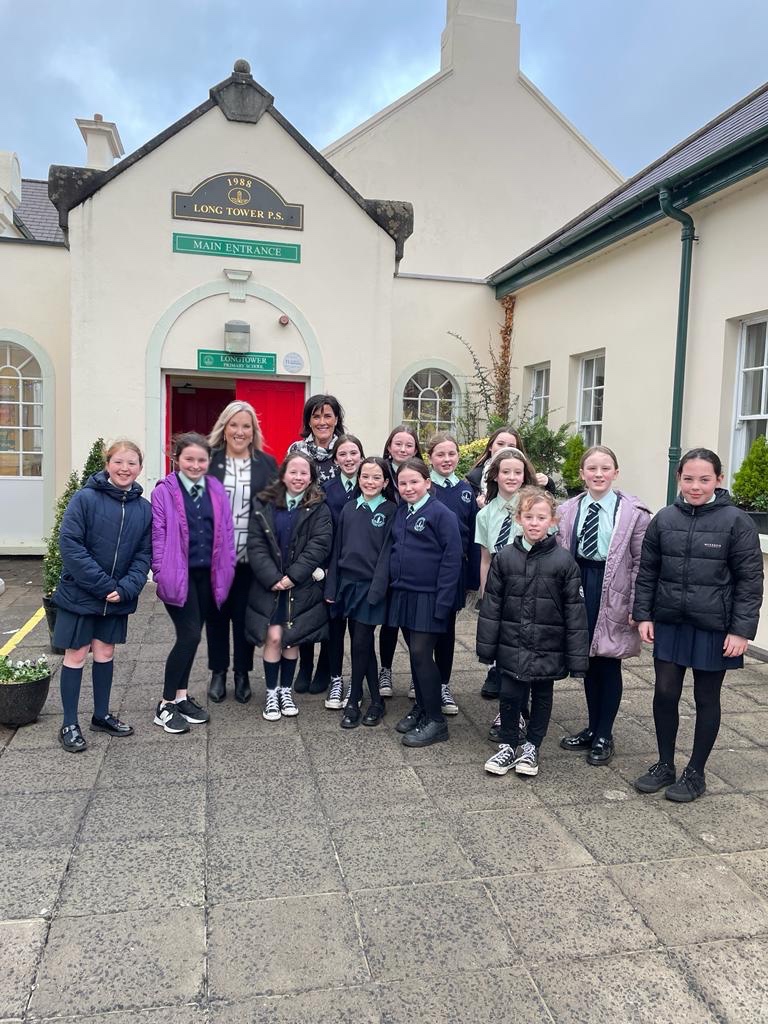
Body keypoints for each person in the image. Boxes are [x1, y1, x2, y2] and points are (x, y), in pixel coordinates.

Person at [632, 448, 763, 802]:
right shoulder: (663, 519)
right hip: (671, 621)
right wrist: (643, 614)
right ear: (679, 479)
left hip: (714, 626)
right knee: (664, 693)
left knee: (706, 698)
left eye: (704, 479)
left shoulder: (737, 522)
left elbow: (750, 582)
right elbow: (648, 573)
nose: (695, 486)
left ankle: (695, 773)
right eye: (688, 479)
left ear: (719, 480)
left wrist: (741, 630)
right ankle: (664, 764)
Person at [478, 488, 589, 778]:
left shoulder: (564, 562)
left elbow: (575, 613)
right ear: (518, 519)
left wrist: (577, 658)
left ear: (553, 521)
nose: (534, 523)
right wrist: (487, 647)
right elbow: (492, 605)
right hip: (511, 643)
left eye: (541, 517)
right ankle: (508, 744)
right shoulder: (504, 559)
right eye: (528, 517)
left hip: (547, 646)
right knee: (510, 694)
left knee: (541, 695)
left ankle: (532, 746)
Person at [555, 445, 652, 765]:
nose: (598, 474)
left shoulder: (633, 513)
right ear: (581, 474)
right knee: (586, 660)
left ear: (615, 473)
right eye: (592, 469)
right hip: (578, 583)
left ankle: (604, 734)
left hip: (614, 588)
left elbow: (641, 562)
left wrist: (637, 605)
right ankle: (592, 727)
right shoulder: (568, 509)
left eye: (605, 468)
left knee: (607, 661)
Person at [54, 440, 152, 752]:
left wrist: (125, 588)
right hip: (81, 594)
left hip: (116, 597)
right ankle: (69, 722)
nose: (125, 469)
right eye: (119, 462)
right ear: (107, 463)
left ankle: (101, 715)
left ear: (140, 468)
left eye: (132, 463)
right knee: (77, 654)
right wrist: (103, 586)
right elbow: (70, 544)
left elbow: (144, 554)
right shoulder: (85, 499)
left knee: (105, 652)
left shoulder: (144, 509)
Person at [151, 433, 236, 735]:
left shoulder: (215, 488)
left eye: (202, 460)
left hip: (207, 577)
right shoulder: (164, 490)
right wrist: (160, 571)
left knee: (194, 636)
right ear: (176, 459)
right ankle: (164, 704)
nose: (196, 465)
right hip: (178, 574)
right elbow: (159, 533)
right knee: (188, 636)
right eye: (189, 459)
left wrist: (227, 569)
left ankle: (182, 697)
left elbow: (226, 530)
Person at [245, 452, 334, 722]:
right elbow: (255, 543)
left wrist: (293, 577)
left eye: (304, 473)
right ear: (283, 474)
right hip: (268, 585)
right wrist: (273, 578)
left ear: (311, 477)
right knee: (272, 637)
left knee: (291, 639)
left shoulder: (319, 506)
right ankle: (271, 692)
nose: (298, 477)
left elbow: (319, 544)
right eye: (293, 472)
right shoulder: (264, 503)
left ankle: (286, 690)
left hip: (299, 586)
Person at [384, 458, 462, 747]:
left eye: (414, 482)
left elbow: (452, 560)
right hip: (404, 594)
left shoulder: (442, 514)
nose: (408, 487)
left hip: (430, 597)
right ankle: (423, 707)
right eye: (402, 483)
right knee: (415, 656)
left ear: (428, 483)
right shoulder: (402, 512)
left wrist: (443, 603)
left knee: (420, 654)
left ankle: (436, 722)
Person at [206, 400, 278, 704]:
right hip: (216, 557)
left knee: (244, 616)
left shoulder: (267, 464)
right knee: (217, 615)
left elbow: (273, 511)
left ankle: (242, 673)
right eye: (234, 425)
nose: (239, 431)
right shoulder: (208, 461)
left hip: (251, 559)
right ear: (224, 428)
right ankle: (219, 672)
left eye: (246, 426)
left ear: (253, 431)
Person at [325, 456, 396, 728]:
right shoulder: (349, 508)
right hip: (347, 587)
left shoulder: (390, 511)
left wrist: (377, 591)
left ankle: (354, 699)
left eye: (376, 477)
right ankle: (377, 701)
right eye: (365, 476)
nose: (370, 481)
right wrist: (333, 587)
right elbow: (337, 550)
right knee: (362, 644)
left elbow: (386, 556)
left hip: (371, 588)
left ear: (386, 482)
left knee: (360, 642)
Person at [475, 446, 538, 739]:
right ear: (495, 476)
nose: (512, 477)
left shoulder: (534, 511)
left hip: (529, 588)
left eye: (518, 472)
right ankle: (510, 709)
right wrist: (486, 598)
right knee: (503, 654)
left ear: (526, 476)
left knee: (523, 655)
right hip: (499, 590)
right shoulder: (486, 514)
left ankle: (519, 712)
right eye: (506, 472)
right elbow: (486, 559)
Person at [288, 394, 346, 694]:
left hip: (340, 537)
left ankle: (326, 666)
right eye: (316, 416)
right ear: (308, 420)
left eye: (328, 415)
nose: (322, 422)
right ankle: (305, 665)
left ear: (337, 418)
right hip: (307, 533)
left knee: (331, 603)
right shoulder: (297, 450)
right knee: (305, 601)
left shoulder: (347, 448)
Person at [426, 430, 477, 716]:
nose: (446, 459)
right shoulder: (423, 487)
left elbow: (471, 538)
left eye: (451, 453)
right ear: (430, 458)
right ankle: (423, 678)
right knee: (422, 631)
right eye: (440, 454)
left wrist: (471, 578)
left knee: (447, 631)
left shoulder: (466, 490)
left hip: (454, 572)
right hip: (425, 571)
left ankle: (443, 684)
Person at [378, 424, 424, 699]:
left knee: (410, 622)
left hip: (411, 553)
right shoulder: (380, 473)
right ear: (389, 446)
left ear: (415, 449)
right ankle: (385, 669)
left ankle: (417, 674)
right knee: (388, 621)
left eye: (409, 445)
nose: (403, 449)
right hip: (385, 548)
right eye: (398, 444)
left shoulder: (418, 475)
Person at [323, 434, 365, 710]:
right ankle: (336, 678)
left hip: (362, 570)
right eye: (343, 454)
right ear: (336, 460)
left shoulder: (370, 486)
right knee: (335, 629)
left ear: (361, 456)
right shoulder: (327, 489)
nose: (349, 459)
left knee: (360, 632)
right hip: (334, 568)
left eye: (353, 453)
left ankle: (357, 682)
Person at [466, 426, 554, 508]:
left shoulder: (528, 477)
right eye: (500, 444)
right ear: (490, 446)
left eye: (511, 446)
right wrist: (478, 507)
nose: (505, 449)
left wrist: (548, 484)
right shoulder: (474, 479)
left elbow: (546, 508)